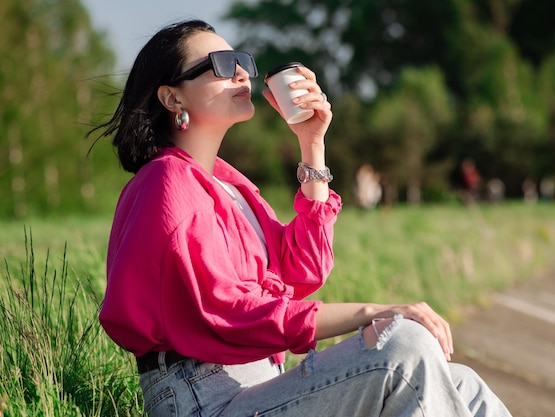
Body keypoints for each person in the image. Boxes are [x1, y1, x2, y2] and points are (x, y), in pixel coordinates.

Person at [91, 20, 513, 417]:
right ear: (172, 97)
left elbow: (303, 268)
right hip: (204, 398)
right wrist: (374, 312)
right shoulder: (165, 183)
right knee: (403, 345)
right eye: (221, 65)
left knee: (465, 387)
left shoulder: (230, 185)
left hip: (260, 383)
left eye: (242, 61)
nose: (242, 74)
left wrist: (312, 145)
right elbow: (231, 311)